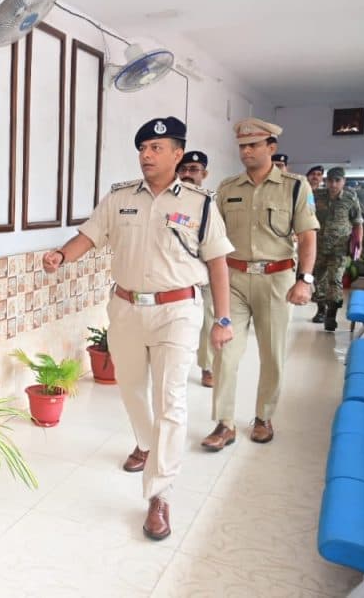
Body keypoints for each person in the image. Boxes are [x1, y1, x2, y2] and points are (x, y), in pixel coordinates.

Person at [42, 117, 233, 542]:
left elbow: (218, 262)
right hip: (127, 307)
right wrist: (61, 255)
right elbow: (89, 235)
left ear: (177, 154)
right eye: (143, 148)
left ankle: (160, 494)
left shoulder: (201, 204)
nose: (146, 155)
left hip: (177, 310)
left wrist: (223, 319)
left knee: (171, 400)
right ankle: (147, 444)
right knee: (130, 390)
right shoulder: (120, 197)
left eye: (156, 148)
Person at [202, 118, 319, 451]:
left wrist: (304, 280)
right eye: (242, 146)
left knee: (272, 355)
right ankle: (224, 423)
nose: (246, 151)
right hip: (233, 280)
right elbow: (213, 237)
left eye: (253, 145)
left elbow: (307, 236)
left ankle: (263, 417)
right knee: (225, 352)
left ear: (271, 147)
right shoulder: (228, 188)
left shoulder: (295, 187)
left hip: (276, 280)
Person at [176, 150, 215, 389]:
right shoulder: (170, 199)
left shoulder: (212, 202)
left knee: (208, 320)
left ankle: (207, 367)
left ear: (204, 174)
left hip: (206, 272)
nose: (187, 174)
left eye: (194, 170)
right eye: (183, 169)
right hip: (177, 272)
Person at [312, 167, 363, 331]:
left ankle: (331, 315)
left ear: (343, 181)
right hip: (318, 247)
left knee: (335, 280)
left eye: (337, 180)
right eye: (330, 180)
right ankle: (321, 309)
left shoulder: (350, 198)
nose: (333, 184)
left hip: (339, 248)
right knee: (318, 279)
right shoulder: (316, 195)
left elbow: (357, 222)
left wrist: (358, 243)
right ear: (326, 181)